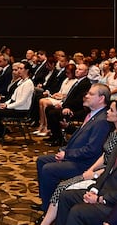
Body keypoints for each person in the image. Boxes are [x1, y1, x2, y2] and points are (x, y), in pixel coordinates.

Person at [35, 84, 111, 212]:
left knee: (49, 169)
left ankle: (50, 209)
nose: (86, 96)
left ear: (101, 99)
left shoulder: (102, 120)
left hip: (85, 163)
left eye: (91, 94)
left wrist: (67, 154)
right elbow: (84, 136)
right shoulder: (93, 115)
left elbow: (92, 150)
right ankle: (46, 201)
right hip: (75, 157)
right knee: (41, 160)